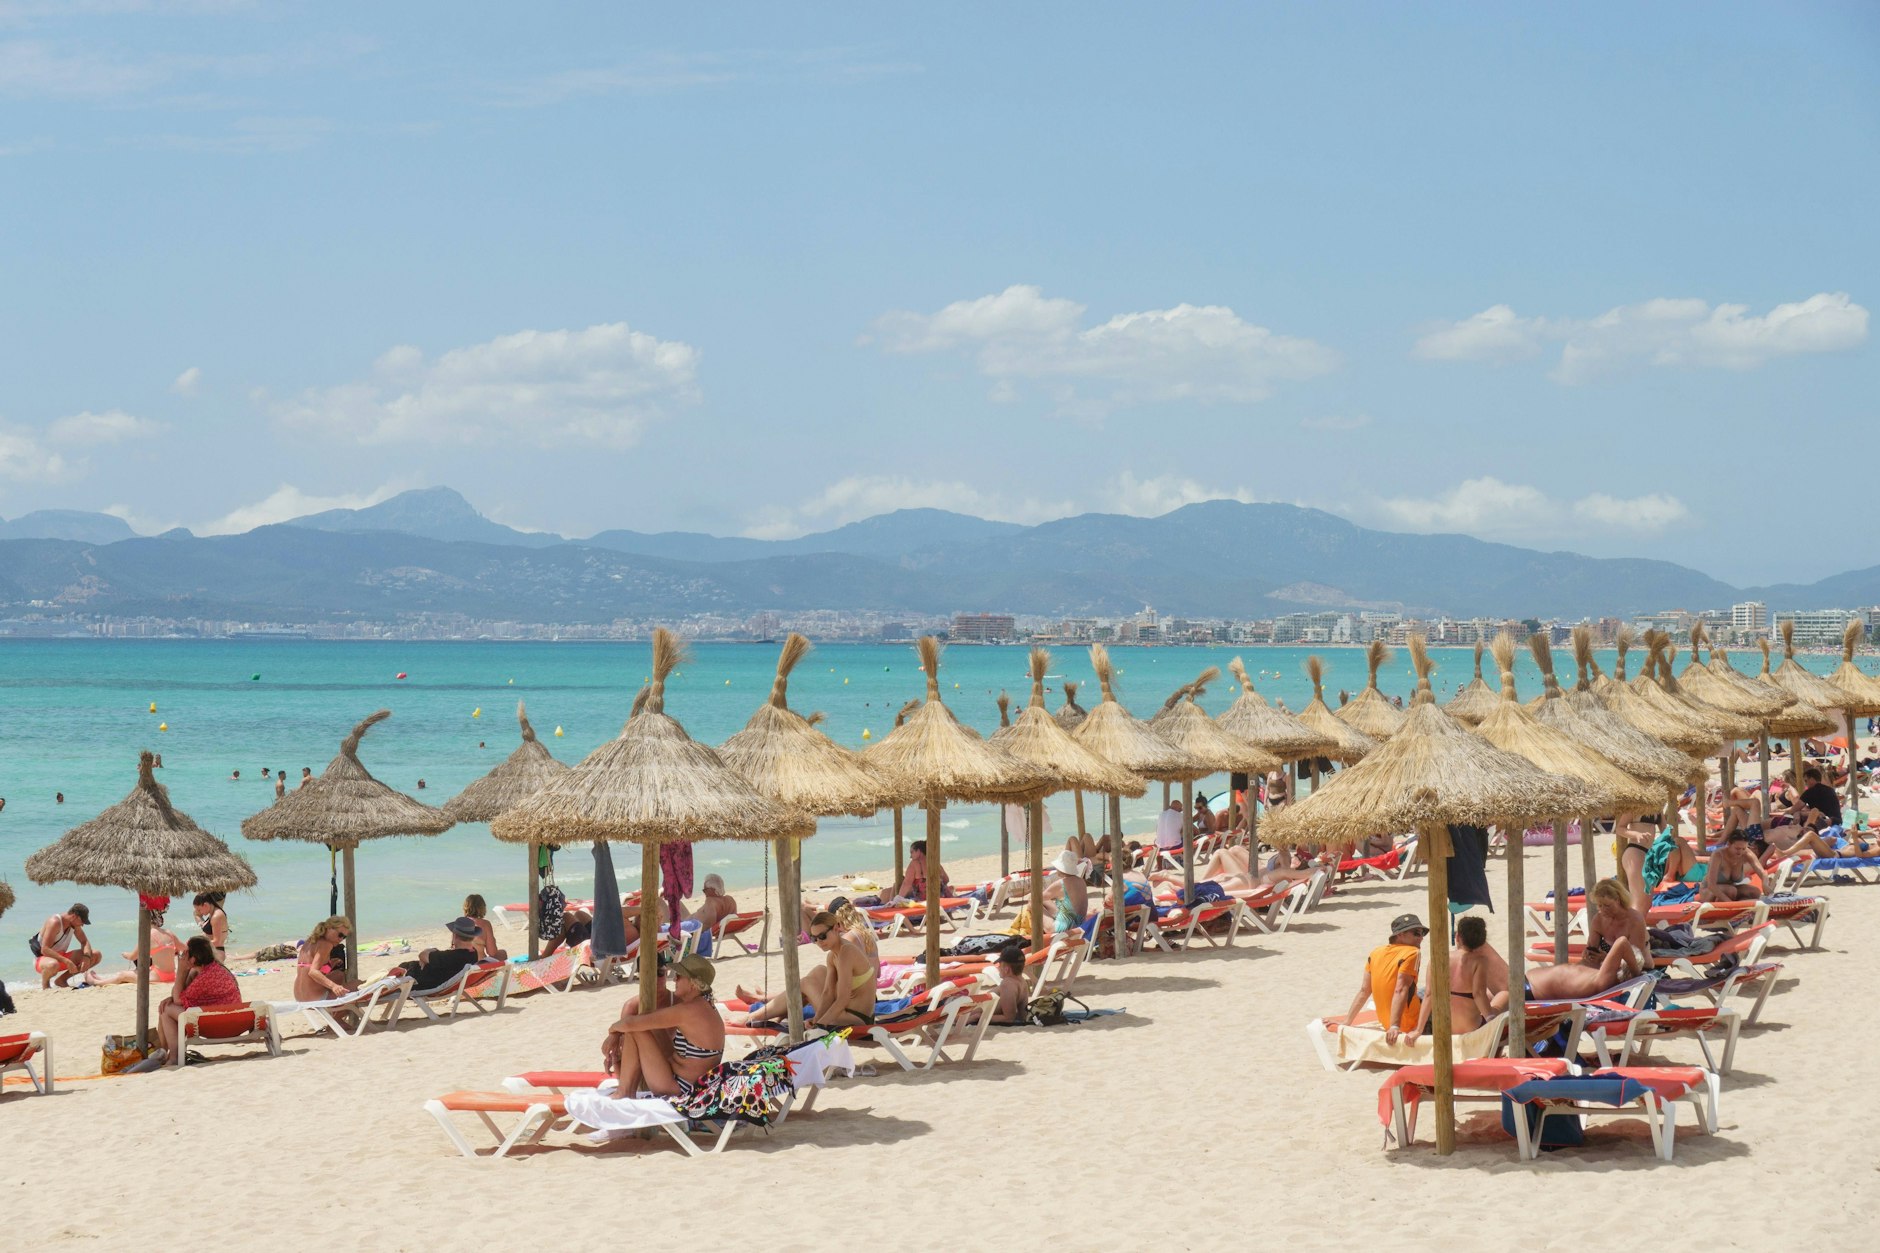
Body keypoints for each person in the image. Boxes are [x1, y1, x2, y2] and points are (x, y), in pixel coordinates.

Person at [600, 955, 725, 1098]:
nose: (674, 980)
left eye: (679, 976)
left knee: (635, 1029)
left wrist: (612, 1031)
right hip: (691, 1083)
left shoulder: (690, 1010)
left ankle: (625, 1092)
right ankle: (626, 1089)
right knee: (642, 1026)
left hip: (681, 1089)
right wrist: (616, 1034)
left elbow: (631, 1024)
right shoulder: (703, 1005)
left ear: (693, 983)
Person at [735, 911, 875, 1029]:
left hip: (857, 1020)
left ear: (836, 928)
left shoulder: (846, 952)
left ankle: (753, 1017)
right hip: (847, 1014)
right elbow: (828, 993)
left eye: (822, 936)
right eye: (814, 938)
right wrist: (816, 1019)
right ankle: (779, 1014)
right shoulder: (833, 955)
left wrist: (819, 1024)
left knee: (805, 983)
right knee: (819, 971)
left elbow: (842, 999)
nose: (819, 942)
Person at [1341, 913, 1427, 1044]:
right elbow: (1400, 990)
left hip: (1385, 1020)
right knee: (1440, 993)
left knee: (1423, 991)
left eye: (1422, 934)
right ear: (1400, 935)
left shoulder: (1375, 953)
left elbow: (1364, 990)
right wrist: (1394, 1026)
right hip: (1408, 1023)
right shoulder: (1412, 953)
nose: (1421, 938)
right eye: (1416, 933)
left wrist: (1347, 1022)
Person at [156, 936, 243, 1061]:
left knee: (166, 1010)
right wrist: (187, 973)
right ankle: (164, 1053)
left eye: (186, 954)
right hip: (232, 1021)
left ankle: (172, 1056)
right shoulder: (216, 969)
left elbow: (178, 1000)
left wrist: (181, 970)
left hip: (218, 1026)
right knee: (166, 1008)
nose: (182, 957)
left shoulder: (206, 976)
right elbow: (180, 995)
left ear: (193, 959)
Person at [390, 917, 483, 992]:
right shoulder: (473, 953)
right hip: (437, 981)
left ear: (455, 935)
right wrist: (433, 953)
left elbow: (422, 955)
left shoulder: (450, 957)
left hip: (416, 982)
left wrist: (431, 950)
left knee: (389, 975)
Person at [1581, 878, 1648, 970]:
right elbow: (1592, 947)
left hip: (1636, 967)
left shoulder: (1635, 920)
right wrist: (1588, 953)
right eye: (1599, 905)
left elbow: (1635, 961)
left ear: (1618, 900)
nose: (1603, 910)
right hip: (1607, 966)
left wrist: (1607, 958)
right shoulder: (1598, 920)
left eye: (1607, 905)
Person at [33, 904, 99, 988]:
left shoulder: (74, 924)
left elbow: (84, 941)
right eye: (82, 921)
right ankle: (45, 985)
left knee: (95, 955)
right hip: (43, 960)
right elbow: (45, 949)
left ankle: (61, 980)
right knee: (53, 964)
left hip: (61, 958)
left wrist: (86, 957)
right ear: (74, 916)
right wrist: (67, 961)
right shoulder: (55, 922)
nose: (82, 925)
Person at [293, 916, 356, 1002]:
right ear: (329, 928)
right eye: (340, 935)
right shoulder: (326, 944)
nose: (341, 939)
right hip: (313, 998)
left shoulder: (310, 941)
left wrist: (330, 964)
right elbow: (313, 972)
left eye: (344, 937)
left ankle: (335, 1010)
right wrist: (334, 986)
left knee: (339, 975)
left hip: (299, 997)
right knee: (358, 984)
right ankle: (336, 1011)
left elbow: (308, 968)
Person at [1701, 830, 1764, 902]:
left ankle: (1742, 905)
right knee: (1731, 891)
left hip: (1729, 890)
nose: (1740, 852)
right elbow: (1711, 885)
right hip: (1709, 891)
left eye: (1743, 849)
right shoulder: (1718, 855)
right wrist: (1730, 903)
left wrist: (1766, 885)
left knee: (1755, 892)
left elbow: (1762, 872)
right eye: (1737, 848)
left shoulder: (1746, 854)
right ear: (1728, 844)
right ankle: (1733, 906)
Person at [684, 874, 738, 955]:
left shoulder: (711, 901)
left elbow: (709, 923)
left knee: (667, 903)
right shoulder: (730, 900)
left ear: (713, 889)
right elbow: (733, 917)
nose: (704, 892)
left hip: (688, 926)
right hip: (693, 921)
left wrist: (693, 934)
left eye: (705, 890)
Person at [1039, 848, 1089, 935]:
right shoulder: (1082, 881)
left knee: (1032, 903)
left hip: (1063, 928)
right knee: (1047, 902)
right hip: (1079, 924)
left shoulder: (1061, 884)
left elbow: (1037, 898)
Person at [459, 894, 507, 961]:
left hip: (461, 966)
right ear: (482, 908)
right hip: (478, 965)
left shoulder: (458, 924)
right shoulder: (485, 924)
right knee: (503, 953)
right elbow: (492, 953)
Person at [991, 946, 1029, 1025]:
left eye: (999, 965)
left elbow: (1009, 1018)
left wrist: (978, 1017)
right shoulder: (1023, 983)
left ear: (1006, 969)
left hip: (968, 1014)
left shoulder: (1007, 983)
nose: (998, 967)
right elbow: (1023, 1015)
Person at [1798, 764, 1843, 830]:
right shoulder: (1830, 789)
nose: (1805, 784)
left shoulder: (1810, 792)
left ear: (1812, 779)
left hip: (1827, 820)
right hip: (1837, 820)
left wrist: (1797, 813)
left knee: (1807, 821)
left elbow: (1794, 808)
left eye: (1806, 781)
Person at [193, 892, 230, 966]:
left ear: (206, 905)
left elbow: (217, 942)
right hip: (211, 951)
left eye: (199, 910)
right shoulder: (212, 913)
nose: (200, 913)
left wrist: (198, 944)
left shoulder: (217, 916)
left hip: (216, 953)